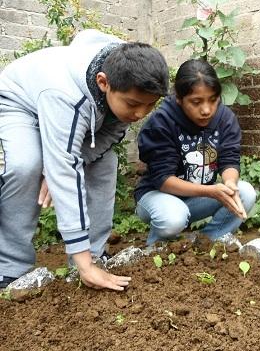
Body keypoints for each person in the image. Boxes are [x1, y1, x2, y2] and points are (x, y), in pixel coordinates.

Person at [0, 29, 169, 291]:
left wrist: (59, 164)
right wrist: (56, 168)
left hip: (80, 110)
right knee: (27, 166)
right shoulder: (66, 96)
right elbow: (66, 173)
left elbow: (87, 35)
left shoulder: (129, 67)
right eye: (133, 104)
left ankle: (93, 255)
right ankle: (10, 268)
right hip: (21, 103)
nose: (140, 114)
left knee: (105, 164)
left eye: (150, 105)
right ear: (103, 82)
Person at [135, 59, 256, 245]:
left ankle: (205, 244)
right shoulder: (162, 122)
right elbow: (162, 179)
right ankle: (155, 252)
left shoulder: (225, 119)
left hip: (197, 197)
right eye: (196, 102)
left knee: (245, 193)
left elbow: (229, 159)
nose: (206, 110)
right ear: (179, 99)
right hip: (156, 197)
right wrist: (211, 191)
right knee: (173, 217)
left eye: (213, 100)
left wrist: (230, 183)